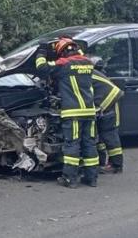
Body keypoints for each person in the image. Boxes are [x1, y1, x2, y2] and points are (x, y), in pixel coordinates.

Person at [35, 37, 98, 188]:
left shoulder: (64, 64)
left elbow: (42, 68)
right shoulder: (88, 63)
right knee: (89, 143)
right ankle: (91, 178)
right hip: (89, 111)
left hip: (73, 112)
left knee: (72, 145)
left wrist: (42, 51)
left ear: (62, 52)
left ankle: (70, 178)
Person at [89, 57, 124, 174]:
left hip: (109, 107)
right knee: (101, 136)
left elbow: (115, 92)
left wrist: (101, 108)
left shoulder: (89, 74)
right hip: (104, 107)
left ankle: (116, 164)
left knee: (110, 136)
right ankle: (102, 162)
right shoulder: (92, 73)